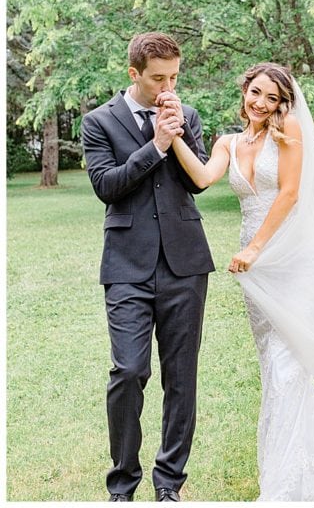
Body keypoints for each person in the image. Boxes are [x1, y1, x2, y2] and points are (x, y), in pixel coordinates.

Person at [162, 62, 314, 501]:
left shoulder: (289, 130)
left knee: (291, 362)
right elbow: (202, 178)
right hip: (254, 266)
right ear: (244, 91)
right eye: (255, 93)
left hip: (296, 254)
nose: (261, 103)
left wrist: (256, 248)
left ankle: (287, 483)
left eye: (272, 98)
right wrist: (174, 137)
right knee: (275, 365)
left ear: (284, 103)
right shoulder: (228, 142)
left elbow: (290, 193)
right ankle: (307, 463)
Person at [81, 32, 214, 502]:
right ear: (134, 73)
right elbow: (107, 186)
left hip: (185, 264)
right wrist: (155, 145)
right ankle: (122, 482)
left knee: (182, 375)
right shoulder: (98, 122)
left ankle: (169, 483)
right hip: (126, 265)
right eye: (158, 78)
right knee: (129, 371)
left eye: (175, 77)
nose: (168, 87)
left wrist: (176, 136)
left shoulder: (188, 115)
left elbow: (198, 180)